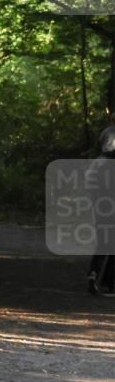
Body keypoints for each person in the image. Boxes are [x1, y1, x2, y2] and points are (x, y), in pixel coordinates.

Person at [87, 121, 115, 295]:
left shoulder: (98, 162)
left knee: (104, 242)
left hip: (101, 205)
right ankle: (109, 282)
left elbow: (89, 184)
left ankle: (93, 274)